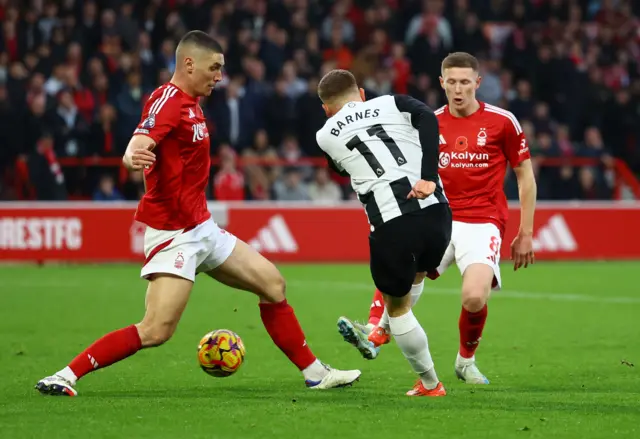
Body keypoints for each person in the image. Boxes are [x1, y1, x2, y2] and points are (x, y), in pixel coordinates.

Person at [35, 31, 361, 397]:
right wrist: (132, 156)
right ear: (189, 64)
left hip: (202, 228)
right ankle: (65, 375)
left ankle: (316, 373)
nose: (219, 75)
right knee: (156, 330)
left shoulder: (193, 103)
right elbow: (139, 141)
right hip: (175, 234)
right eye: (215, 67)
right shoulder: (168, 100)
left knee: (273, 285)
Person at [337, 52, 537, 385]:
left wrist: (526, 231)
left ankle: (465, 361)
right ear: (442, 83)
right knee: (403, 261)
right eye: (452, 82)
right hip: (439, 214)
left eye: (465, 82)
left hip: (483, 220)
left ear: (478, 83)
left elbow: (525, 176)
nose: (459, 90)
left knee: (474, 297)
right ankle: (376, 331)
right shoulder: (428, 121)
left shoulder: (503, 121)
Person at [315, 69, 452, 396]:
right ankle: (379, 331)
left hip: (392, 222)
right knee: (416, 275)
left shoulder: (324, 134)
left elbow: (339, 168)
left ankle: (430, 384)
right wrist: (428, 174)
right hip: (438, 213)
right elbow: (429, 120)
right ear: (362, 93)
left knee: (397, 306)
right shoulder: (393, 102)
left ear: (326, 108)